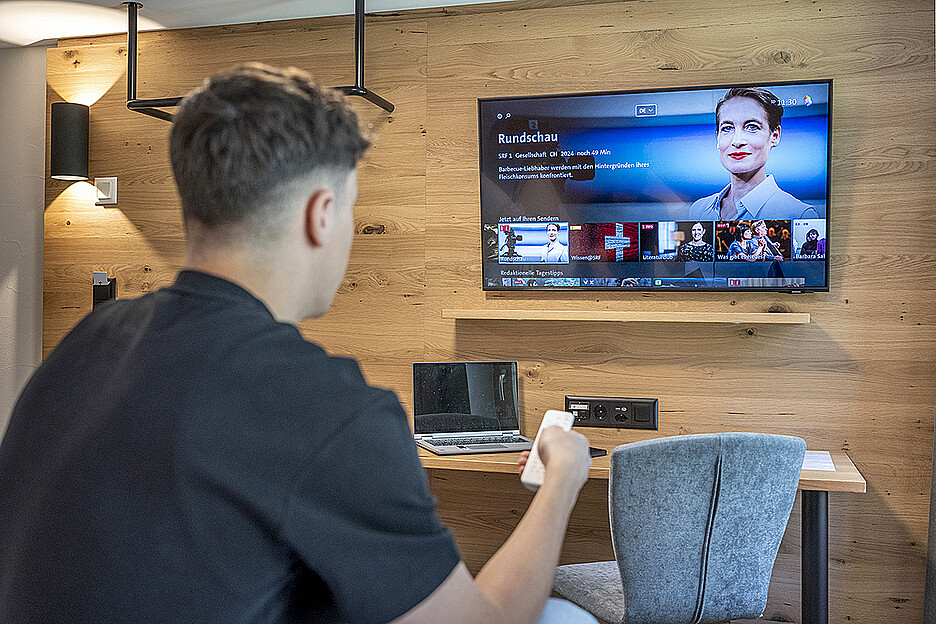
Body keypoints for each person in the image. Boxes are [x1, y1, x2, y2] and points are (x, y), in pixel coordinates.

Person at [0, 64, 596, 624]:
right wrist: (562, 480)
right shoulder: (326, 405)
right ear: (321, 213)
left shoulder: (87, 341)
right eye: (353, 211)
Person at [689, 86, 819, 222]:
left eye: (752, 127)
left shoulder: (799, 214)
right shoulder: (699, 210)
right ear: (718, 138)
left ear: (775, 136)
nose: (737, 141)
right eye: (727, 128)